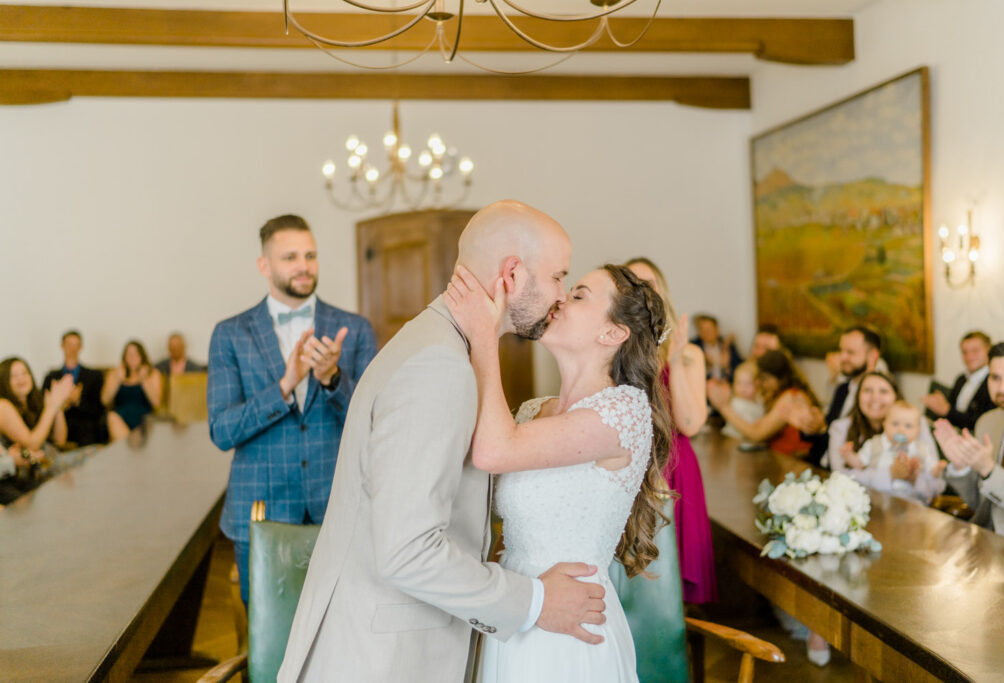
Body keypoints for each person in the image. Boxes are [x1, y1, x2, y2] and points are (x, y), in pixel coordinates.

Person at [279, 201, 603, 683]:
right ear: (512, 274)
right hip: (382, 661)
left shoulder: (438, 344)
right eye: (558, 276)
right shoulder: (439, 365)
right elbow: (408, 551)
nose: (561, 294)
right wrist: (535, 602)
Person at [445, 263, 671, 682]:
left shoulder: (624, 411)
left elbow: (493, 451)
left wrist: (484, 336)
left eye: (580, 295)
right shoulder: (534, 411)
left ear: (613, 333)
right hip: (518, 607)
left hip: (572, 624)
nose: (561, 298)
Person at [208, 213, 377, 606]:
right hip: (260, 512)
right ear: (264, 265)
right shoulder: (230, 334)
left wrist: (333, 379)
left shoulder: (354, 329)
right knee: (267, 630)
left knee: (343, 625)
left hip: (339, 508)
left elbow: (376, 423)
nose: (304, 266)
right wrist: (284, 386)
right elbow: (222, 430)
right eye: (290, 257)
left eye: (310, 255)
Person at [625, 257, 716, 605]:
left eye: (648, 283)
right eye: (630, 283)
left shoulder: (689, 353)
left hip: (675, 465)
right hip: (630, 466)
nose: (640, 291)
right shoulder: (613, 349)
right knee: (635, 579)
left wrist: (674, 361)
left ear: (661, 292)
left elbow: (690, 424)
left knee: (675, 577)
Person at [935, 342, 1004, 543]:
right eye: (995, 377)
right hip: (983, 537)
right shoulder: (987, 422)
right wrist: (961, 469)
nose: (1003, 387)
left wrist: (989, 470)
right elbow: (978, 502)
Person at [708, 349, 822, 458]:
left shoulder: (791, 397)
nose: (762, 384)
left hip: (792, 460)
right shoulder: (780, 395)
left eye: (764, 379)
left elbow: (757, 434)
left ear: (776, 378)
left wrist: (724, 408)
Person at [844, 401, 945, 504]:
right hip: (877, 496)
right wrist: (849, 456)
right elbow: (859, 463)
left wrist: (937, 470)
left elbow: (931, 473)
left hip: (910, 499)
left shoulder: (922, 449)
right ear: (885, 424)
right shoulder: (874, 444)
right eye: (895, 424)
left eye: (908, 426)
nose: (901, 430)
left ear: (918, 430)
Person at [42, 330, 107, 446]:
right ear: (62, 346)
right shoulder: (51, 377)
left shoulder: (94, 376)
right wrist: (62, 403)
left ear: (81, 347)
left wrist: (78, 401)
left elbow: (99, 409)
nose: (72, 349)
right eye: (69, 344)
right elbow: (42, 404)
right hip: (57, 424)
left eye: (76, 345)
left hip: (85, 427)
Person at [923, 331, 994, 431]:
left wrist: (946, 410)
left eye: (975, 351)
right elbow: (950, 412)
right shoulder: (961, 379)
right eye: (964, 352)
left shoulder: (994, 382)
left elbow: (984, 424)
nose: (969, 357)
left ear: (989, 350)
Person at [0, 357, 73, 452]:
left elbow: (60, 441)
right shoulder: (3, 406)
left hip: (49, 457)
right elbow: (32, 445)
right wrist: (51, 408)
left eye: (24, 373)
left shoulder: (35, 401)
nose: (21, 378)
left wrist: (57, 405)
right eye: (14, 376)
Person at [101, 340, 162, 441]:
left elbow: (156, 403)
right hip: (120, 419)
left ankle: (130, 444)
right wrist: (117, 380)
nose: (132, 358)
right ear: (124, 357)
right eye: (129, 354)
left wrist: (144, 380)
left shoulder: (152, 373)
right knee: (111, 417)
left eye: (136, 354)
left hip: (143, 419)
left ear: (142, 356)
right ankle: (132, 444)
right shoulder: (115, 373)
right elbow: (105, 400)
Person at [823, 326, 884, 425]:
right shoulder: (843, 388)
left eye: (850, 352)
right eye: (841, 351)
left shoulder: (882, 396)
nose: (842, 357)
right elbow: (830, 426)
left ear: (872, 355)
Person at [690, 314, 742, 381]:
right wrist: (706, 363)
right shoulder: (694, 346)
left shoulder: (727, 345)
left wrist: (727, 367)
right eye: (702, 330)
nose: (706, 333)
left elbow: (739, 366)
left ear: (717, 329)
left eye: (709, 329)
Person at [721, 361, 764, 442]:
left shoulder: (759, 400)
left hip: (749, 440)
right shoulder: (736, 403)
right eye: (739, 383)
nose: (743, 388)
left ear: (757, 384)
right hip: (733, 438)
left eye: (748, 384)